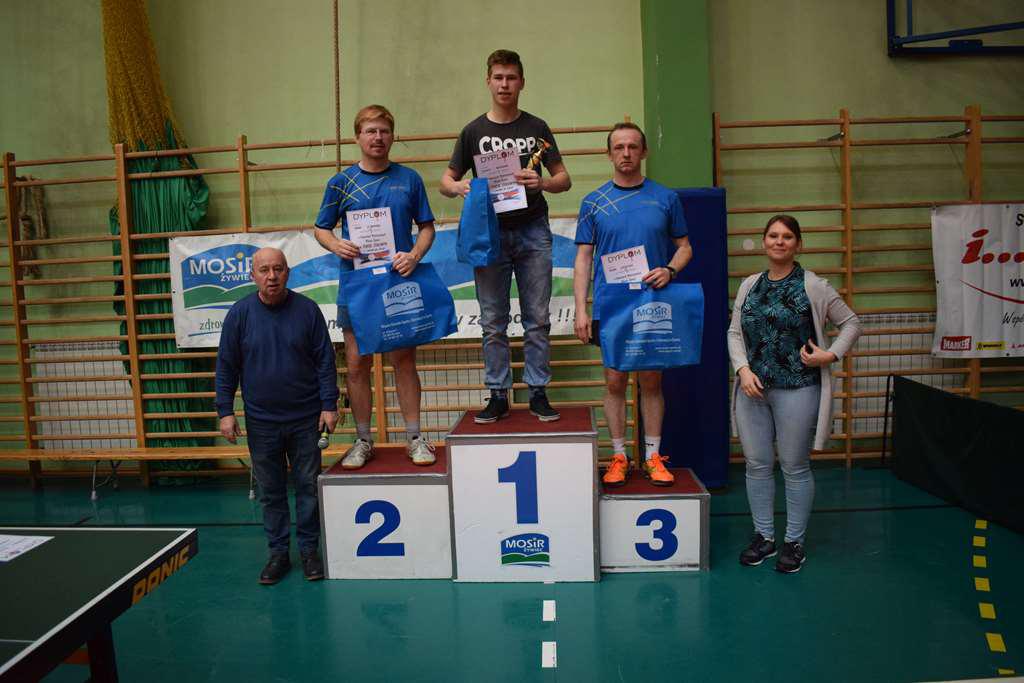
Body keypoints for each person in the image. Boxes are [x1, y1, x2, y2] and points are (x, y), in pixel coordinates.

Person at [440, 49, 572, 424]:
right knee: (492, 320)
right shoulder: (473, 132)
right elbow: (445, 181)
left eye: (511, 77)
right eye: (498, 77)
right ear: (488, 81)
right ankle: (498, 393)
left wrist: (542, 182)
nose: (504, 84)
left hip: (533, 230)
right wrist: (459, 188)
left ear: (521, 83)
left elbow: (564, 179)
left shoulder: (537, 127)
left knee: (538, 317)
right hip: (489, 233)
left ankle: (538, 392)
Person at [728, 214, 862, 573]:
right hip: (752, 390)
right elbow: (735, 333)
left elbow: (851, 323)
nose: (779, 241)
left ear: (798, 244)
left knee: (794, 465)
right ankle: (764, 537)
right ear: (764, 242)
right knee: (757, 465)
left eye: (787, 236)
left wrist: (830, 355)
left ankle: (794, 542)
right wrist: (742, 369)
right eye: (773, 235)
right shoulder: (749, 285)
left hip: (798, 388)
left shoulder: (814, 286)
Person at [313, 105, 437, 470]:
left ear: (392, 136)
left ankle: (414, 437)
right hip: (357, 286)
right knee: (356, 364)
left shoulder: (409, 179)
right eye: (370, 131)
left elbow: (427, 227)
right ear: (358, 137)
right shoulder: (341, 183)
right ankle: (363, 439)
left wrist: (414, 254)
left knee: (404, 360)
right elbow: (321, 228)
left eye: (384, 130)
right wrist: (335, 244)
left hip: (398, 281)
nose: (378, 137)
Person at [573, 122, 693, 487]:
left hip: (651, 301)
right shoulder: (593, 202)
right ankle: (619, 456)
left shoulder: (665, 198)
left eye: (633, 147)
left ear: (643, 152)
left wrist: (670, 270)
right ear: (609, 154)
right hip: (611, 306)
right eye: (619, 147)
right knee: (614, 381)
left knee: (652, 381)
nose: (626, 153)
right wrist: (581, 309)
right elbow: (583, 258)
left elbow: (685, 247)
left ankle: (653, 456)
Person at [215, 247, 340, 584]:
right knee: (271, 492)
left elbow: (325, 361)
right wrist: (225, 411)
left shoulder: (308, 310)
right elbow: (226, 366)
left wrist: (329, 404)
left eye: (278, 269)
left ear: (288, 272)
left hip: (306, 419)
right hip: (261, 422)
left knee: (308, 489)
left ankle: (310, 552)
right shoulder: (239, 314)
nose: (272, 276)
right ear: (252, 275)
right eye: (264, 270)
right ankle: (278, 554)